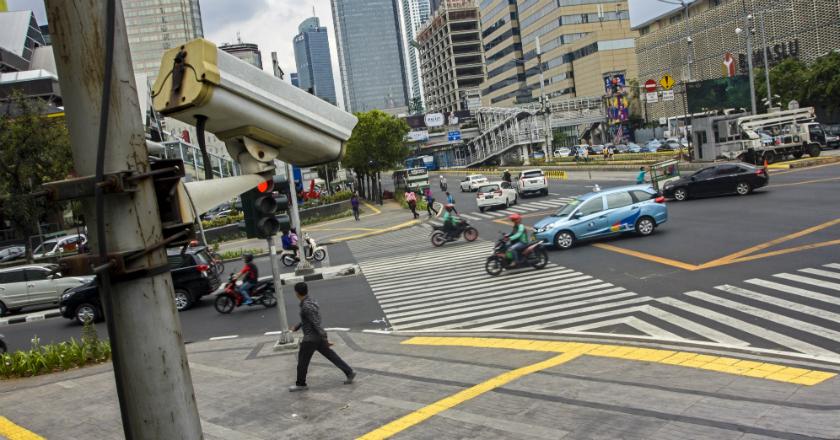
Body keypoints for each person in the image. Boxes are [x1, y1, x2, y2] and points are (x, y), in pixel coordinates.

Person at [289, 282, 355, 392]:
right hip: (317, 337)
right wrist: (296, 327)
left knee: (302, 362)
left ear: (296, 293)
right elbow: (308, 319)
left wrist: (325, 338)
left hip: (310, 338)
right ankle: (349, 372)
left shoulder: (306, 306)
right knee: (331, 356)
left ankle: (301, 384)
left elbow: (315, 323)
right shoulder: (310, 301)